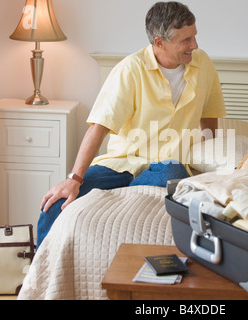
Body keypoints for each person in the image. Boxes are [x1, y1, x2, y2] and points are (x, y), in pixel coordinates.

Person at [36, 1, 226, 247]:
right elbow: (99, 126)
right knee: (54, 203)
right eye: (186, 40)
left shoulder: (203, 65)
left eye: (194, 37)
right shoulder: (130, 70)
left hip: (167, 166)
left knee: (173, 173)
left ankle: (114, 198)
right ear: (159, 42)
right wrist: (74, 178)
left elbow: (209, 118)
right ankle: (33, 273)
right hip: (120, 164)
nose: (195, 45)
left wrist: (212, 164)